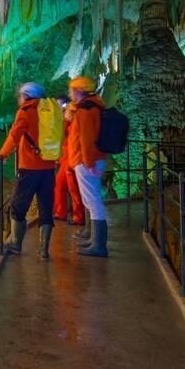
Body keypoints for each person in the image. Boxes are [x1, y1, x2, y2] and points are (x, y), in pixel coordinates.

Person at [0, 82, 56, 260]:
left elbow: (14, 135)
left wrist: (3, 153)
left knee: (17, 207)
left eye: (20, 95)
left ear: (26, 96)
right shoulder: (51, 111)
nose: (18, 98)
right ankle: (44, 250)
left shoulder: (26, 111)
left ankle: (15, 243)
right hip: (48, 168)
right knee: (46, 209)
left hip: (30, 168)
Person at [67, 76, 108, 257]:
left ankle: (99, 245)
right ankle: (93, 239)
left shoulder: (85, 111)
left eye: (71, 90)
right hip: (91, 159)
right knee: (91, 200)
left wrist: (89, 162)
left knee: (93, 201)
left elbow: (86, 138)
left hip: (86, 161)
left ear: (78, 91)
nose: (70, 94)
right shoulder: (94, 106)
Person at [53, 101, 86, 225]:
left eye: (66, 110)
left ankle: (79, 216)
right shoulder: (68, 124)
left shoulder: (76, 126)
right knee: (59, 185)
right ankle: (60, 211)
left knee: (74, 189)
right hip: (66, 159)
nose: (64, 112)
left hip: (72, 160)